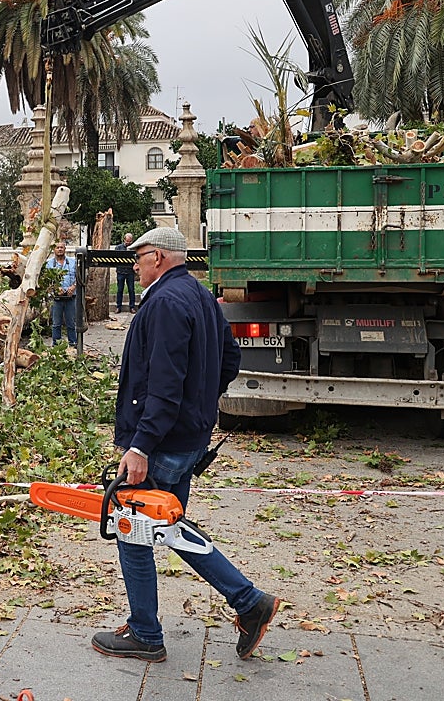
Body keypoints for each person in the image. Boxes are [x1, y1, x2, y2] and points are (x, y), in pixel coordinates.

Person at [92, 226, 279, 663]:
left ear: (158, 256)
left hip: (163, 441)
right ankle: (249, 602)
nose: (134, 265)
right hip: (190, 435)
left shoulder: (164, 303)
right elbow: (229, 359)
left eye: (138, 257)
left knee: (132, 530)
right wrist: (201, 400)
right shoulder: (197, 295)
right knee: (170, 526)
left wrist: (140, 446)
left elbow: (162, 383)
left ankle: (145, 633)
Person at [46, 242, 77, 345]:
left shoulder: (73, 262)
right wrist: (55, 287)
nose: (59, 249)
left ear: (65, 249)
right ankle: (56, 345)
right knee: (56, 324)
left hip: (70, 297)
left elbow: (81, 277)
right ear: (54, 249)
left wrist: (73, 287)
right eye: (57, 247)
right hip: (56, 298)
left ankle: (73, 344)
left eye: (61, 247)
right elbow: (46, 280)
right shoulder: (49, 264)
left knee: (71, 323)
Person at [114, 232, 137, 313]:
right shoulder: (118, 248)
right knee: (120, 290)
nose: (128, 243)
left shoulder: (134, 248)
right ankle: (118, 306)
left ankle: (132, 307)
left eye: (130, 241)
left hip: (130, 271)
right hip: (120, 271)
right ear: (124, 240)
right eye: (127, 241)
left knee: (131, 289)